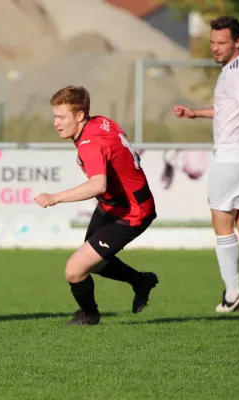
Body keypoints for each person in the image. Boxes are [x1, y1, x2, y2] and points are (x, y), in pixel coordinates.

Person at [34, 85, 159, 326]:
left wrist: (54, 198)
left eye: (61, 117)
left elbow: (98, 184)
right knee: (94, 261)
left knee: (74, 270)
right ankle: (140, 281)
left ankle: (89, 315)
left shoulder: (90, 143)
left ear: (79, 116)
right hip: (114, 204)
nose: (56, 123)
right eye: (55, 117)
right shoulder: (101, 122)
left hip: (132, 212)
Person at [174, 16, 239, 313]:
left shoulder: (235, 74)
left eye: (221, 43)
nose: (215, 48)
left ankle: (233, 294)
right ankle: (233, 294)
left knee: (222, 223)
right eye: (212, 42)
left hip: (235, 157)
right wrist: (195, 114)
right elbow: (230, 109)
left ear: (238, 41)